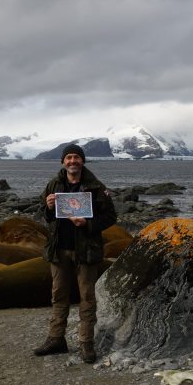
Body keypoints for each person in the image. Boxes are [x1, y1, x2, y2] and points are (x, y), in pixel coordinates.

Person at [33, 144, 117, 363]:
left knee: (87, 298)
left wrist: (88, 224)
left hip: (86, 252)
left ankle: (86, 344)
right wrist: (48, 207)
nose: (72, 161)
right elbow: (44, 215)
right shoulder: (54, 184)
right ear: (63, 161)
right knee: (58, 295)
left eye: (76, 158)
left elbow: (111, 217)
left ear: (82, 161)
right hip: (59, 250)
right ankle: (56, 339)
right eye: (69, 157)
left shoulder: (96, 187)